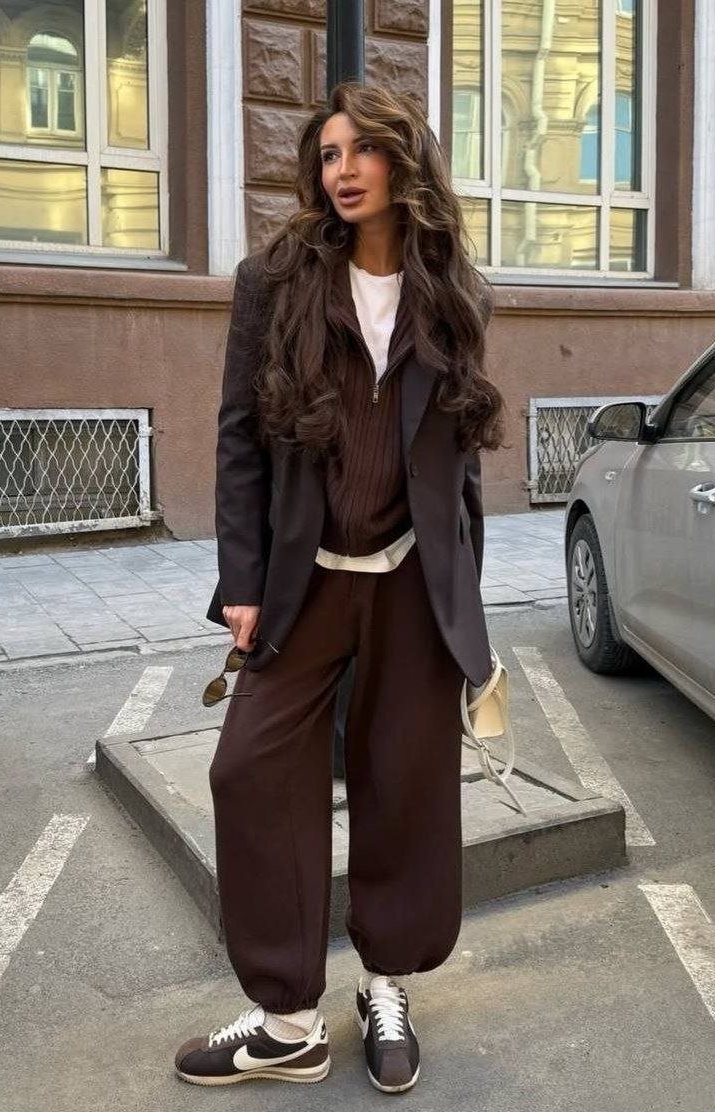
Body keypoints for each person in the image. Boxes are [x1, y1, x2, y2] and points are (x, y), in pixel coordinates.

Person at [174, 80, 504, 1093]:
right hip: (301, 580)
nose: (344, 170)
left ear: (405, 161)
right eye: (328, 154)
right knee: (248, 770)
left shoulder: (455, 288)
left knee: (403, 784)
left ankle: (385, 985)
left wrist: (463, 598)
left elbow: (459, 460)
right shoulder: (272, 281)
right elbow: (237, 435)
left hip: (410, 580)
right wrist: (239, 579)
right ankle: (286, 1020)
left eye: (364, 150)